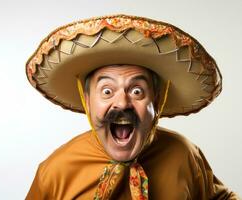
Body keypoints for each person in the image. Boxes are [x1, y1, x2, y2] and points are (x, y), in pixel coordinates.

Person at [25, 15, 240, 199]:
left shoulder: (184, 155)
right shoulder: (55, 172)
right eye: (107, 91)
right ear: (88, 101)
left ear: (156, 102)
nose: (122, 103)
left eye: (137, 91)